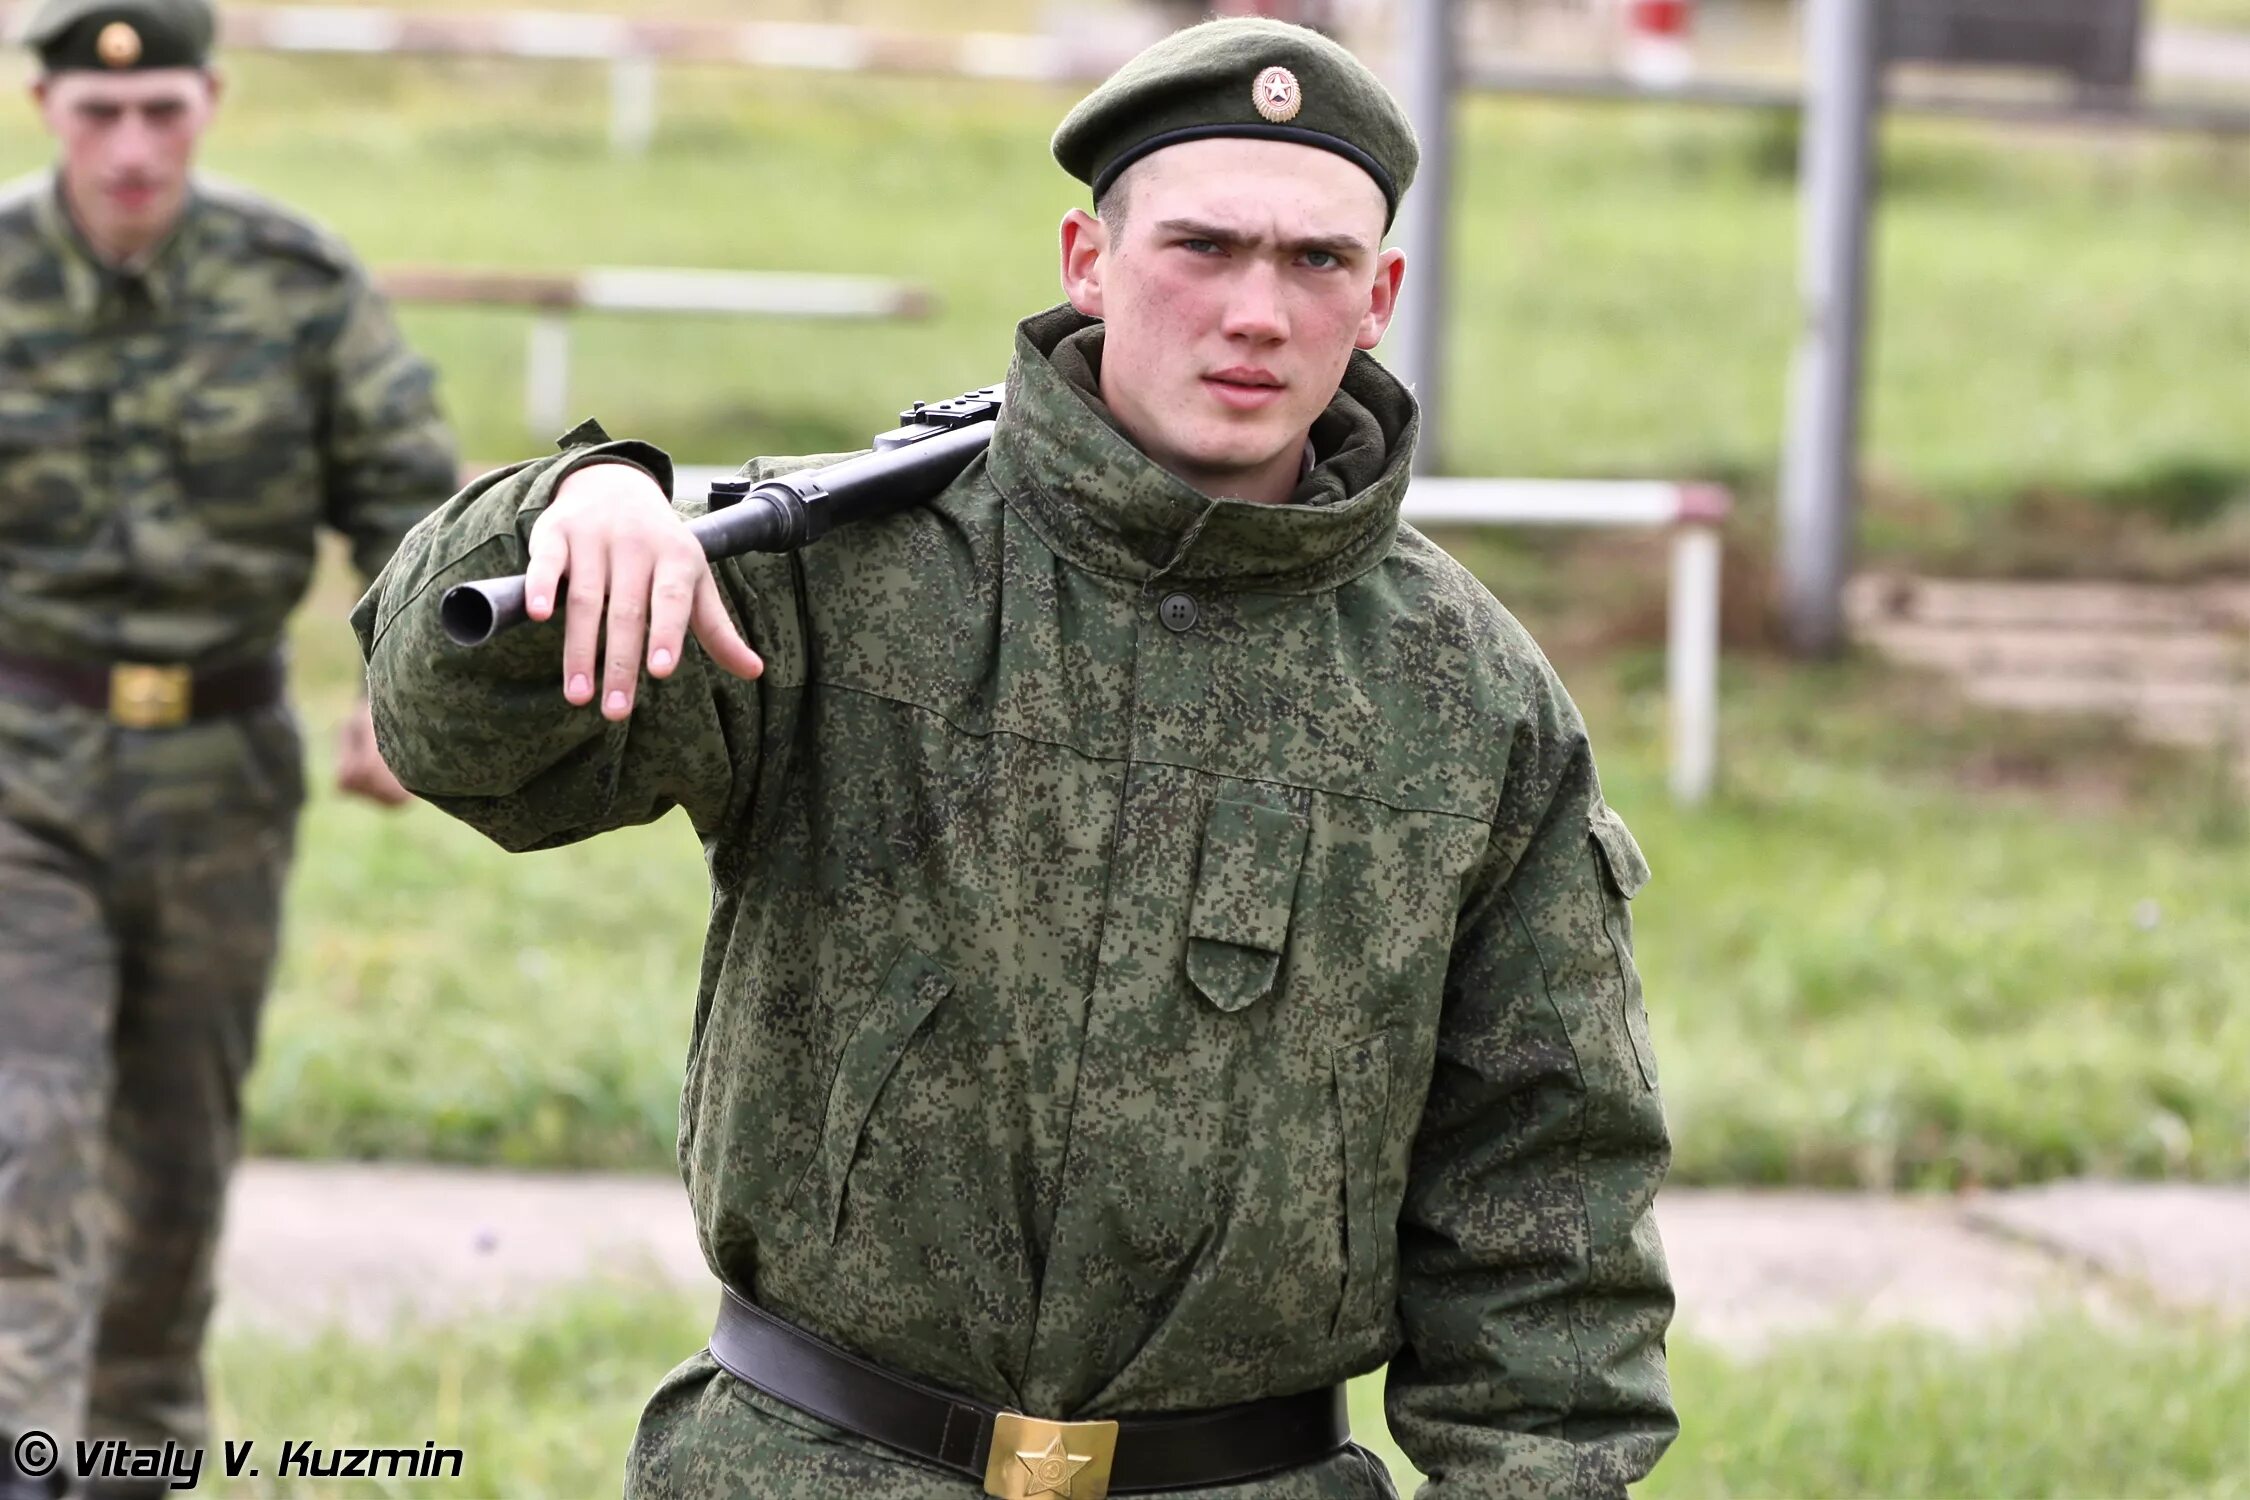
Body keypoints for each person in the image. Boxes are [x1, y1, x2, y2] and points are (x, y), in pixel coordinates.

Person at [359, 17, 1673, 1498]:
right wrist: (563, 509)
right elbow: (471, 752)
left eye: (1312, 263)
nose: (1253, 310)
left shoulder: (1470, 699)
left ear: (1377, 298)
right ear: (1086, 262)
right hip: (811, 1467)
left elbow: (1542, 1188)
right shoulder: (845, 568)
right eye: (1199, 246)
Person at [0, 0, 456, 1493]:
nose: (131, 146)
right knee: (27, 1131)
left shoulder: (294, 279)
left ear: (212, 101)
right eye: (96, 114)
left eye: (163, 112)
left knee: (172, 1165)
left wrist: (394, 692)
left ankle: (129, 1464)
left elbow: (408, 496)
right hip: (21, 758)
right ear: (42, 108)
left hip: (219, 771)